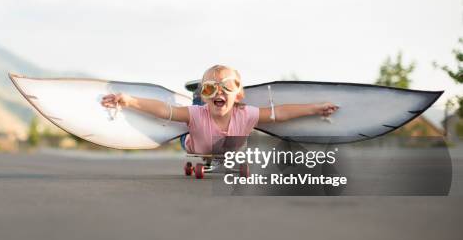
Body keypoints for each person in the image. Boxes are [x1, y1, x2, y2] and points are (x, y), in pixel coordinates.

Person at [101, 64, 338, 155]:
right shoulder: (196, 114)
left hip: (226, 134)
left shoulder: (247, 114)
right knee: (189, 113)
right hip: (193, 138)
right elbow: (165, 111)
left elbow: (280, 113)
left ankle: (198, 91)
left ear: (239, 94)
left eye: (225, 87)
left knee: (200, 108)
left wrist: (315, 109)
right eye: (210, 90)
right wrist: (128, 100)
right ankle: (196, 94)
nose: (218, 93)